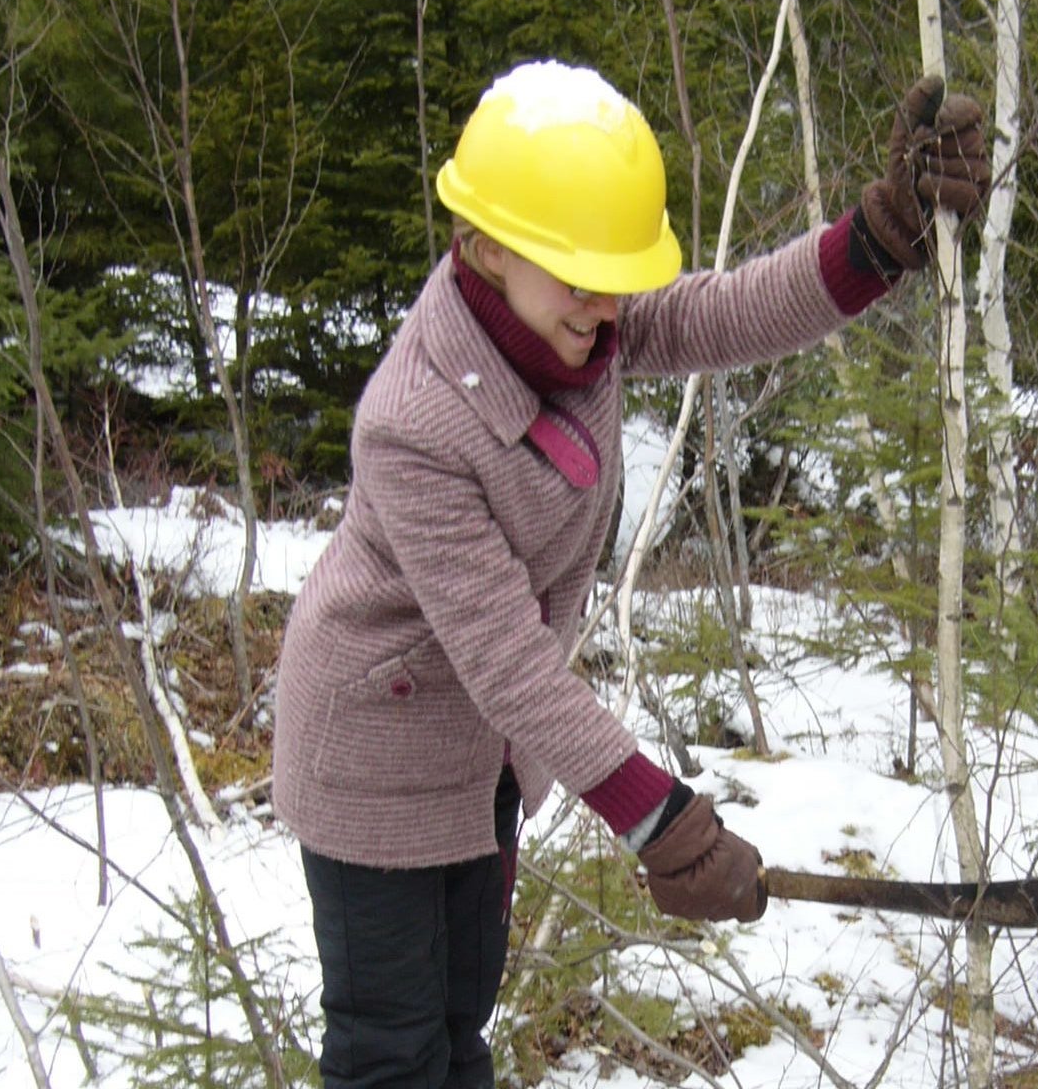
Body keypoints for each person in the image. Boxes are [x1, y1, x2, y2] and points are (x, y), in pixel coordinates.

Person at [272, 58, 989, 1089]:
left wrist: (873, 244)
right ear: (480, 248)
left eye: (614, 276)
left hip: (483, 761)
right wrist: (663, 819)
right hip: (372, 749)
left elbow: (723, 311)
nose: (604, 303)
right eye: (577, 276)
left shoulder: (578, 321)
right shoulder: (414, 424)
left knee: (459, 1029)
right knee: (389, 1050)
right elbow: (508, 659)